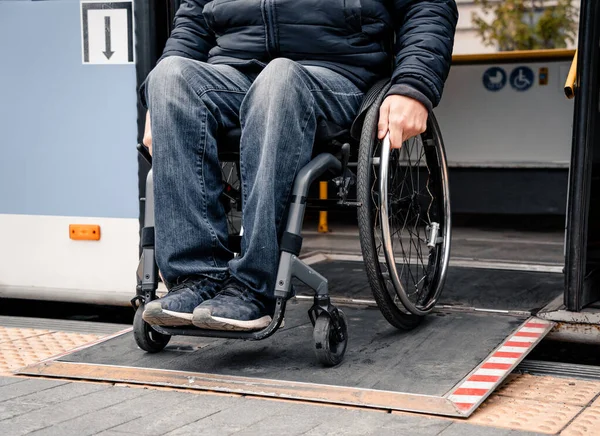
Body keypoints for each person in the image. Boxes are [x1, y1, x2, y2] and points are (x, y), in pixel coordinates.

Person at [139, 0, 458, 331]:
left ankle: (253, 287)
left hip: (337, 74)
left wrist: (414, 85)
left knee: (280, 77)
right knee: (168, 77)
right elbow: (193, 20)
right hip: (234, 73)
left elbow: (428, 5)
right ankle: (196, 279)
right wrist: (160, 106)